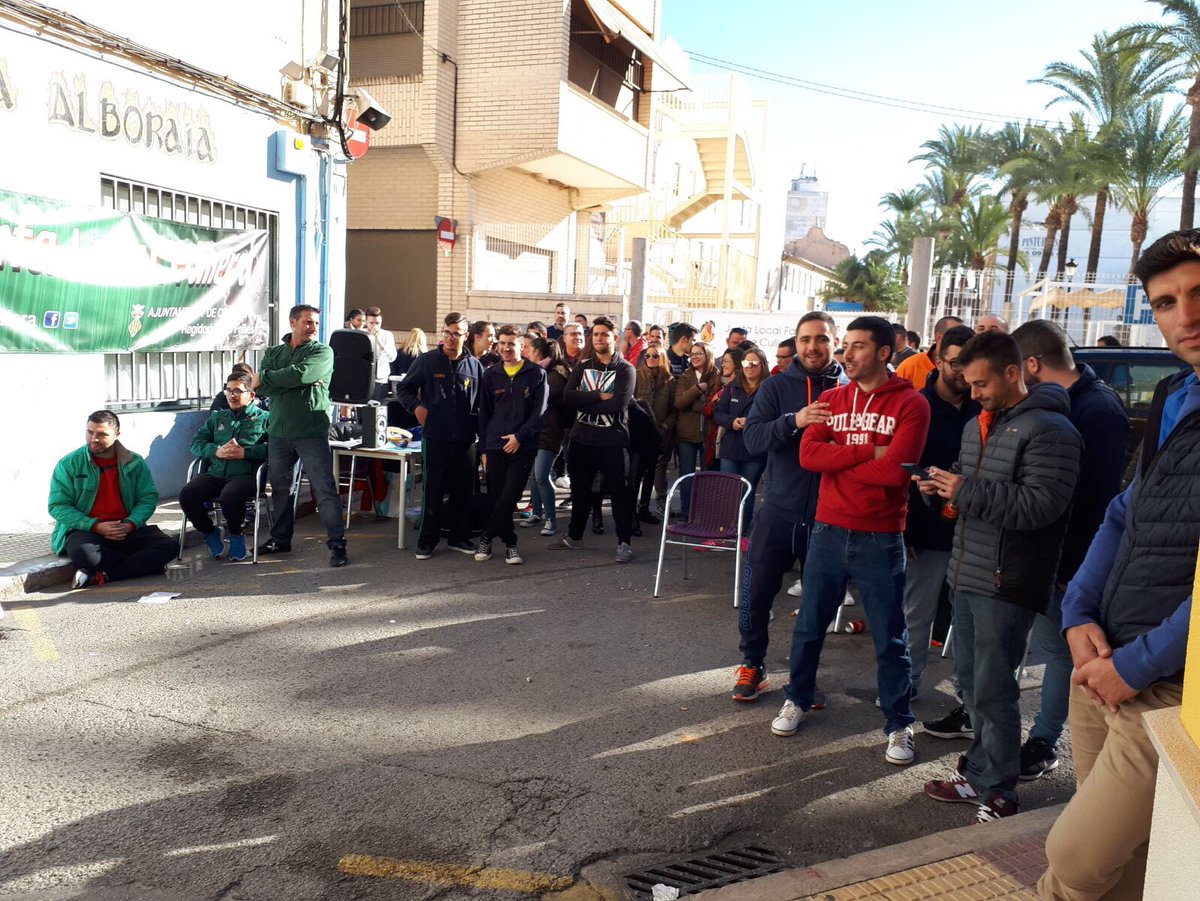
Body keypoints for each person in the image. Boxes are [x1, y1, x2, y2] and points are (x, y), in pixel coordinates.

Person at [1039, 230, 1200, 900]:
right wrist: (1078, 612)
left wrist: (1133, 666)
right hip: (1100, 664)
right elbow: (1122, 513)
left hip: (1167, 688)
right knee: (1125, 872)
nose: (1185, 315)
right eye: (1166, 302)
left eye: (1197, 293)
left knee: (1073, 860)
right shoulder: (1174, 395)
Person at [918, 331, 1080, 823]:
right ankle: (980, 773)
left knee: (993, 688)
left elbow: (1042, 506)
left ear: (1015, 373)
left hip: (1008, 579)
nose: (974, 393)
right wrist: (938, 490)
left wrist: (964, 490)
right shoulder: (980, 424)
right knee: (971, 683)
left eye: (982, 383)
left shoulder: (1051, 430)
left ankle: (1000, 789)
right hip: (969, 571)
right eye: (969, 384)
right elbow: (972, 493)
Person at [771, 316, 930, 770]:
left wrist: (841, 460)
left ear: (884, 351)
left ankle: (899, 722)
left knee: (889, 637)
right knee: (808, 628)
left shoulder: (911, 404)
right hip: (827, 531)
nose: (847, 354)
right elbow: (807, 455)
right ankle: (797, 698)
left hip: (881, 537)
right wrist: (867, 451)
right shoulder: (830, 398)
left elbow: (896, 471)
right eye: (846, 346)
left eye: (858, 346)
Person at [1011, 319, 1129, 781]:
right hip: (1046, 555)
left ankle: (1043, 740)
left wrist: (1073, 566)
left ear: (1034, 364)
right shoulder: (1065, 404)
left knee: (1059, 653)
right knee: (1042, 647)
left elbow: (1097, 502)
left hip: (1072, 561)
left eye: (1018, 370)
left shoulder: (1099, 410)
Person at [733, 312, 843, 699]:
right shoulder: (777, 386)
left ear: (835, 341)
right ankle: (752, 664)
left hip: (829, 517)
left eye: (821, 339)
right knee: (756, 592)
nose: (813, 346)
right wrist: (795, 420)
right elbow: (754, 439)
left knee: (816, 606)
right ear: (796, 343)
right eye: (805, 339)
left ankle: (803, 678)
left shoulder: (850, 388)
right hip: (778, 510)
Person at [899, 325, 979, 702]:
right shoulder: (917, 404)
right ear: (937, 358)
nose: (962, 373)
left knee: (969, 619)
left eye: (969, 364)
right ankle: (907, 683)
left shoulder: (986, 404)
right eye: (955, 363)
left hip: (976, 531)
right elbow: (899, 468)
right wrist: (904, 529)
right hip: (925, 529)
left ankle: (967, 691)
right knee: (917, 613)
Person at [254, 304, 348, 567]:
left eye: (316, 323)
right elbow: (264, 391)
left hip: (310, 432)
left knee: (324, 490)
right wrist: (285, 381)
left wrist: (268, 378)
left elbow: (304, 373)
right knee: (281, 490)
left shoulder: (322, 351)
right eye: (307, 322)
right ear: (292, 322)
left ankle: (337, 545)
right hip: (279, 434)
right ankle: (280, 539)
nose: (313, 327)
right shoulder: (274, 353)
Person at [51, 410, 178, 589]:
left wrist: (130, 524)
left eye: (102, 434)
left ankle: (104, 575)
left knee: (170, 546)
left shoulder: (134, 462)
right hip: (86, 529)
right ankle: (144, 565)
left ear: (117, 435)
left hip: (126, 528)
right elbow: (58, 506)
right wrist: (95, 526)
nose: (94, 438)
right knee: (84, 554)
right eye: (90, 432)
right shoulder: (69, 463)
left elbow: (147, 498)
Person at [549, 316, 637, 562]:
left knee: (619, 492)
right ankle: (574, 537)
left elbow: (619, 404)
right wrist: (598, 395)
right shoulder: (583, 366)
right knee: (580, 491)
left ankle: (624, 543)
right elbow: (568, 397)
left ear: (614, 338)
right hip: (581, 439)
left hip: (612, 440)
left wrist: (585, 400)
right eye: (596, 334)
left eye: (605, 334)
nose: (599, 338)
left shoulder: (626, 369)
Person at [397, 312, 484, 559]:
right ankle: (427, 541)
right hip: (435, 437)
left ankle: (458, 537)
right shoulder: (428, 361)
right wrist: (416, 408)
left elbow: (481, 403)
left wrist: (481, 434)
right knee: (433, 490)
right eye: (447, 332)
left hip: (466, 439)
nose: (451, 337)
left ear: (465, 336)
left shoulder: (475, 366)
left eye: (457, 333)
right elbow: (404, 388)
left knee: (463, 491)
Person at [474, 326, 547, 565]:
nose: (506, 348)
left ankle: (486, 537)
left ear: (521, 347)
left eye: (511, 344)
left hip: (522, 447)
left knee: (509, 497)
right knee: (497, 498)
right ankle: (511, 544)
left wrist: (519, 437)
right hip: (495, 447)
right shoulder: (490, 374)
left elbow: (539, 414)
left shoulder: (536, 374)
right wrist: (483, 449)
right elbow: (484, 415)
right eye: (502, 343)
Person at [180, 371, 271, 562]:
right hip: (216, 474)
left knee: (230, 495)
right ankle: (210, 531)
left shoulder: (265, 419)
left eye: (238, 390)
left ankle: (236, 534)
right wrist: (216, 451)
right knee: (187, 494)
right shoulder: (218, 418)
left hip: (246, 476)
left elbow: (276, 450)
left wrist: (246, 452)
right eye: (228, 390)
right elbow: (196, 443)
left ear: (251, 395)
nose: (232, 395)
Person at [713, 346, 770, 530]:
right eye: (746, 362)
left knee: (748, 492)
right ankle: (723, 529)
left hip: (754, 450)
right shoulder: (733, 386)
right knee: (728, 491)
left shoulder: (770, 387)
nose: (750, 366)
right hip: (731, 447)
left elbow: (776, 417)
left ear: (762, 365)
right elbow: (718, 413)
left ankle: (742, 531)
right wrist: (733, 422)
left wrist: (754, 423)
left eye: (754, 363)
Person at [526, 337, 573, 536]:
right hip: (536, 432)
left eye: (528, 349)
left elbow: (538, 401)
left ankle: (551, 520)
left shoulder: (553, 375)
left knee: (542, 476)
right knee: (534, 477)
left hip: (549, 432)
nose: (525, 352)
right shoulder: (540, 372)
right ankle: (537, 514)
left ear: (538, 353)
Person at [673, 341, 720, 516]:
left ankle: (704, 513)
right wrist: (697, 389)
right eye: (692, 354)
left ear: (707, 354)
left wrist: (694, 404)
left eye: (698, 353)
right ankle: (686, 511)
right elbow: (679, 403)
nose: (694, 357)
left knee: (707, 476)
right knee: (686, 475)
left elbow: (714, 406)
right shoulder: (686, 376)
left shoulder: (717, 375)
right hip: (686, 433)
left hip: (708, 433)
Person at [634, 342, 676, 524]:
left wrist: (666, 425)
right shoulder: (636, 376)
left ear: (662, 358)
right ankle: (631, 510)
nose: (650, 359)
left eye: (654, 356)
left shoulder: (670, 381)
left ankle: (644, 507)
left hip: (659, 434)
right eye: (647, 356)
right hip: (639, 434)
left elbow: (675, 409)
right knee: (635, 474)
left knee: (652, 472)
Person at [896, 316, 964, 390]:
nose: (960, 341)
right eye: (954, 336)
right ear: (938, 337)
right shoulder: (910, 366)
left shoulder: (968, 368)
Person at [365, 307, 398, 401]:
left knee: (378, 409)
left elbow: (392, 358)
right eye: (371, 323)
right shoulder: (362, 334)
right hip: (364, 378)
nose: (374, 326)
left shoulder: (387, 335)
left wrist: (380, 343)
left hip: (380, 379)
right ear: (366, 322)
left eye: (377, 323)